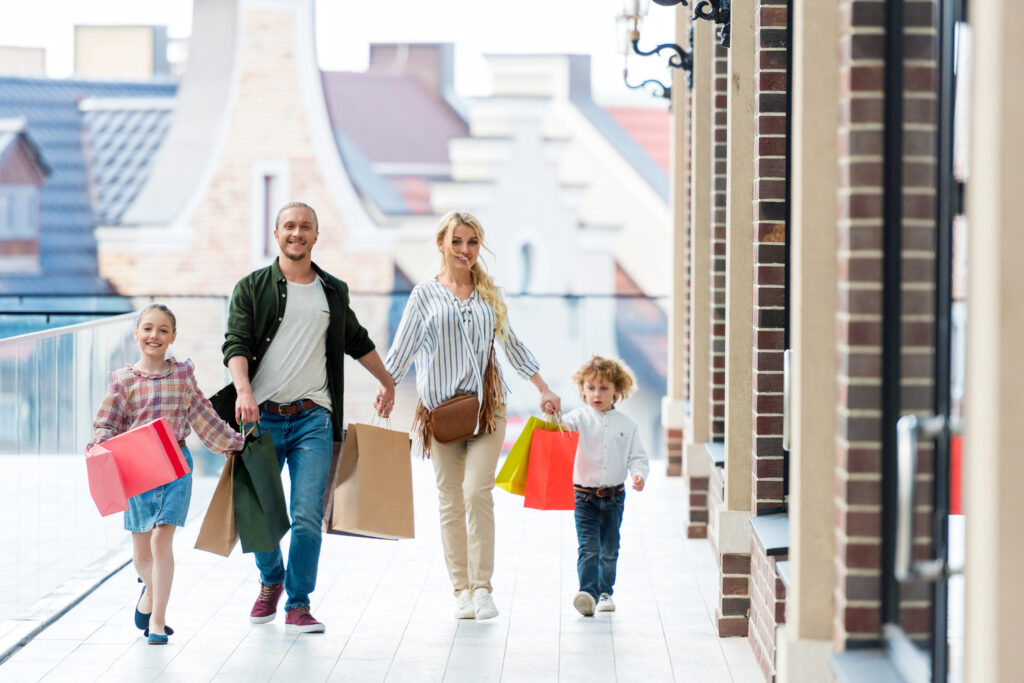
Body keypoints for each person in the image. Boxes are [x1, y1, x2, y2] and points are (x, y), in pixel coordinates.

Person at [375, 210, 561, 621]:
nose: (464, 250)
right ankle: (460, 590)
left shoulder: (488, 293)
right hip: (440, 415)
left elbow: (512, 345)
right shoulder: (424, 295)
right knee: (449, 500)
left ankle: (482, 588)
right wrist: (387, 386)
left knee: (477, 492)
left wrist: (543, 388)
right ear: (441, 243)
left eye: (472, 242)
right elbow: (402, 348)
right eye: (456, 241)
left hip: (485, 410)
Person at [219, 201, 395, 634]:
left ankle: (298, 602)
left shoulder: (332, 290)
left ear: (317, 236)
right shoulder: (251, 287)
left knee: (307, 514)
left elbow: (356, 339)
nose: (297, 233)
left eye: (306, 227)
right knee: (257, 511)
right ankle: (271, 578)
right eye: (289, 226)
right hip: (260, 418)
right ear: (276, 234)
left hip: (314, 417)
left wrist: (387, 382)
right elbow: (235, 343)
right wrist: (243, 390)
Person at [88, 303, 245, 645]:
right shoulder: (122, 382)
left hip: (176, 466)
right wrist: (98, 446)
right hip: (136, 470)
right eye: (147, 328)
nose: (154, 336)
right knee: (142, 556)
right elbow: (106, 424)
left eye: (162, 330)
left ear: (173, 337)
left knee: (162, 541)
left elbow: (204, 416)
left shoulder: (183, 375)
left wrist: (234, 442)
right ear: (136, 334)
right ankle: (150, 592)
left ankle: (157, 622)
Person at [561, 354, 649, 617]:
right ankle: (587, 592)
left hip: (614, 498)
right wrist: (551, 413)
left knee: (609, 548)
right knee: (588, 546)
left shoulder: (627, 425)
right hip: (583, 497)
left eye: (603, 388)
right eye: (590, 388)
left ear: (617, 391)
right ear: (582, 390)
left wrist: (639, 474)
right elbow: (559, 428)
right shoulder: (577, 419)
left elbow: (638, 457)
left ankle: (604, 591)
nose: (596, 394)